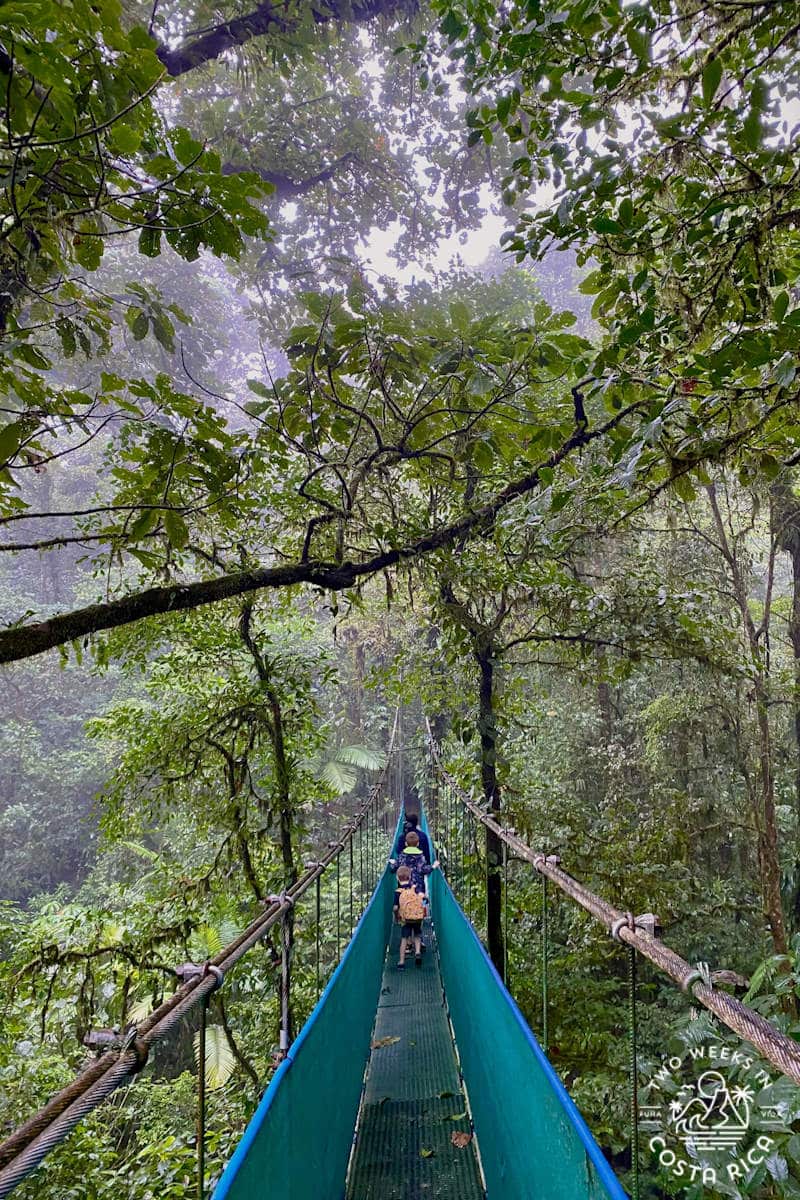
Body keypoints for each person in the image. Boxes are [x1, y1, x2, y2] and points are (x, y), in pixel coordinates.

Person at [393, 866, 425, 968]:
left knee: (404, 939)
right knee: (417, 935)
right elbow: (422, 897)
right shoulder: (414, 888)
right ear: (410, 877)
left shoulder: (398, 892)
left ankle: (401, 962)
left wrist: (396, 916)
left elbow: (395, 908)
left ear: (397, 878)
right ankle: (418, 952)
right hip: (417, 917)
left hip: (405, 919)